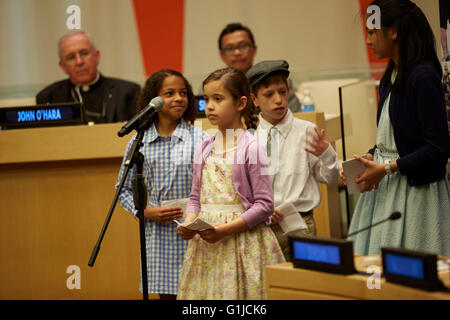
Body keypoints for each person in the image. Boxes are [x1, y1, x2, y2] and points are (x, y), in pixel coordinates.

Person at [342, 0, 450, 257]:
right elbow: (393, 137)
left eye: (372, 31)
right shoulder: (390, 75)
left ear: (394, 31)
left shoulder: (422, 77)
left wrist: (389, 167)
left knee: (413, 274)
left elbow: (438, 148)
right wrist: (370, 156)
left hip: (415, 194)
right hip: (386, 188)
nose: (368, 41)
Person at [177, 67, 285, 300]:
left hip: (240, 241)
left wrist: (224, 230)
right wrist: (188, 222)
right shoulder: (204, 146)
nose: (210, 106)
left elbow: (265, 205)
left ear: (240, 103)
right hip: (207, 246)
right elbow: (195, 197)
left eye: (218, 98)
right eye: (206, 99)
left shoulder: (251, 146)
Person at [116, 69, 209, 300]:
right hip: (158, 236)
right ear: (153, 101)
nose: (179, 98)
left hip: (195, 231)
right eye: (169, 93)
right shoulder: (140, 141)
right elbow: (122, 189)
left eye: (183, 93)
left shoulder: (201, 138)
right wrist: (145, 211)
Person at [248, 60, 339, 261]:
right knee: (268, 286)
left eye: (282, 91)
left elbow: (329, 178)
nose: (278, 100)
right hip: (262, 226)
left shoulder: (306, 130)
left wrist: (327, 155)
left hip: (300, 224)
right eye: (269, 94)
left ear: (289, 90)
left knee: (301, 284)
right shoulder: (249, 137)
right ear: (254, 100)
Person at [36, 30, 141, 123]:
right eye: (71, 57)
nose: (79, 62)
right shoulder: (49, 97)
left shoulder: (128, 92)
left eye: (84, 53)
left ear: (97, 57)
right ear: (63, 66)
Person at [218, 23, 302, 112]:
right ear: (222, 55)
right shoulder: (212, 86)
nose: (237, 52)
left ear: (254, 49)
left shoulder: (280, 81)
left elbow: (295, 115)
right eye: (230, 48)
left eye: (243, 46)